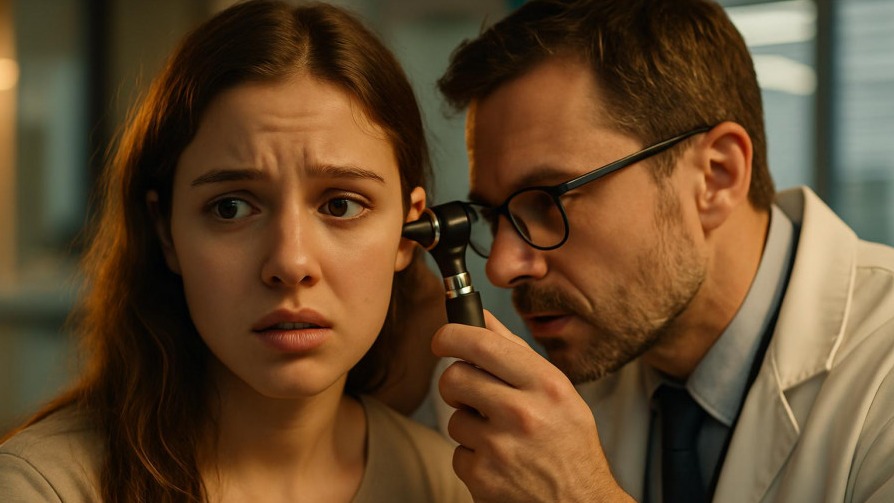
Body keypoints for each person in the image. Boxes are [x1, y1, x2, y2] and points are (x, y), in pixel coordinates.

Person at [0, 1, 471, 501]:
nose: (290, 263)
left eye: (340, 204)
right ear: (166, 233)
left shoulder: (452, 485)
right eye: (230, 208)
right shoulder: (43, 488)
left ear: (408, 231)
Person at [432, 0, 894, 501]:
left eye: (548, 201)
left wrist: (582, 494)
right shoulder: (573, 373)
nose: (500, 267)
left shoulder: (881, 374)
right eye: (495, 217)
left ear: (717, 177)